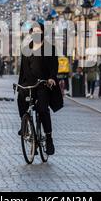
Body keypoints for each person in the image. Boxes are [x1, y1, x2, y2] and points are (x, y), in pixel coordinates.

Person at [17, 23, 63, 156]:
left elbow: (54, 66)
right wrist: (20, 85)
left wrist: (52, 78)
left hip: (43, 83)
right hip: (28, 84)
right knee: (20, 98)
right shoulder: (26, 49)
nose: (36, 33)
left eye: (39, 31)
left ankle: (48, 138)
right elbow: (22, 70)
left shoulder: (49, 48)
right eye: (34, 31)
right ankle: (25, 126)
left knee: (42, 109)